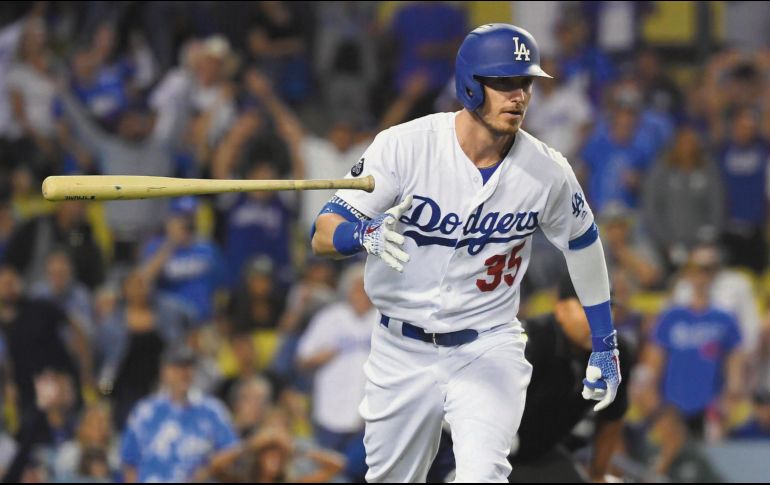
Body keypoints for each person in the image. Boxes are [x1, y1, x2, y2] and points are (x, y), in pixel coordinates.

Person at [311, 24, 621, 482]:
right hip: (402, 348)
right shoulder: (406, 146)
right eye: (504, 83)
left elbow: (583, 242)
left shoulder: (547, 170)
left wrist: (605, 340)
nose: (518, 95)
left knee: (483, 475)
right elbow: (322, 231)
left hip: (488, 345)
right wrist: (360, 236)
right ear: (470, 85)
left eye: (525, 83)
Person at [509, 277, 633, 482]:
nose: (601, 320)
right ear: (561, 309)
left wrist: (598, 475)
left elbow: (612, 418)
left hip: (539, 454)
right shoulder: (531, 342)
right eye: (589, 309)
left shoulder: (616, 354)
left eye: (606, 308)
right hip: (482, 449)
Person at [120, 346, 241, 483]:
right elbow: (129, 463)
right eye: (177, 367)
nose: (184, 373)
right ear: (164, 371)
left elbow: (233, 451)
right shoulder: (144, 412)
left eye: (188, 367)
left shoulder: (212, 410)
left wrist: (209, 468)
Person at [296, 263, 375, 453]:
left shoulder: (382, 319)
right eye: (359, 288)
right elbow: (301, 359)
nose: (363, 294)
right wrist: (320, 357)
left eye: (368, 288)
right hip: (329, 413)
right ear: (348, 291)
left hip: (368, 419)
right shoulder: (330, 318)